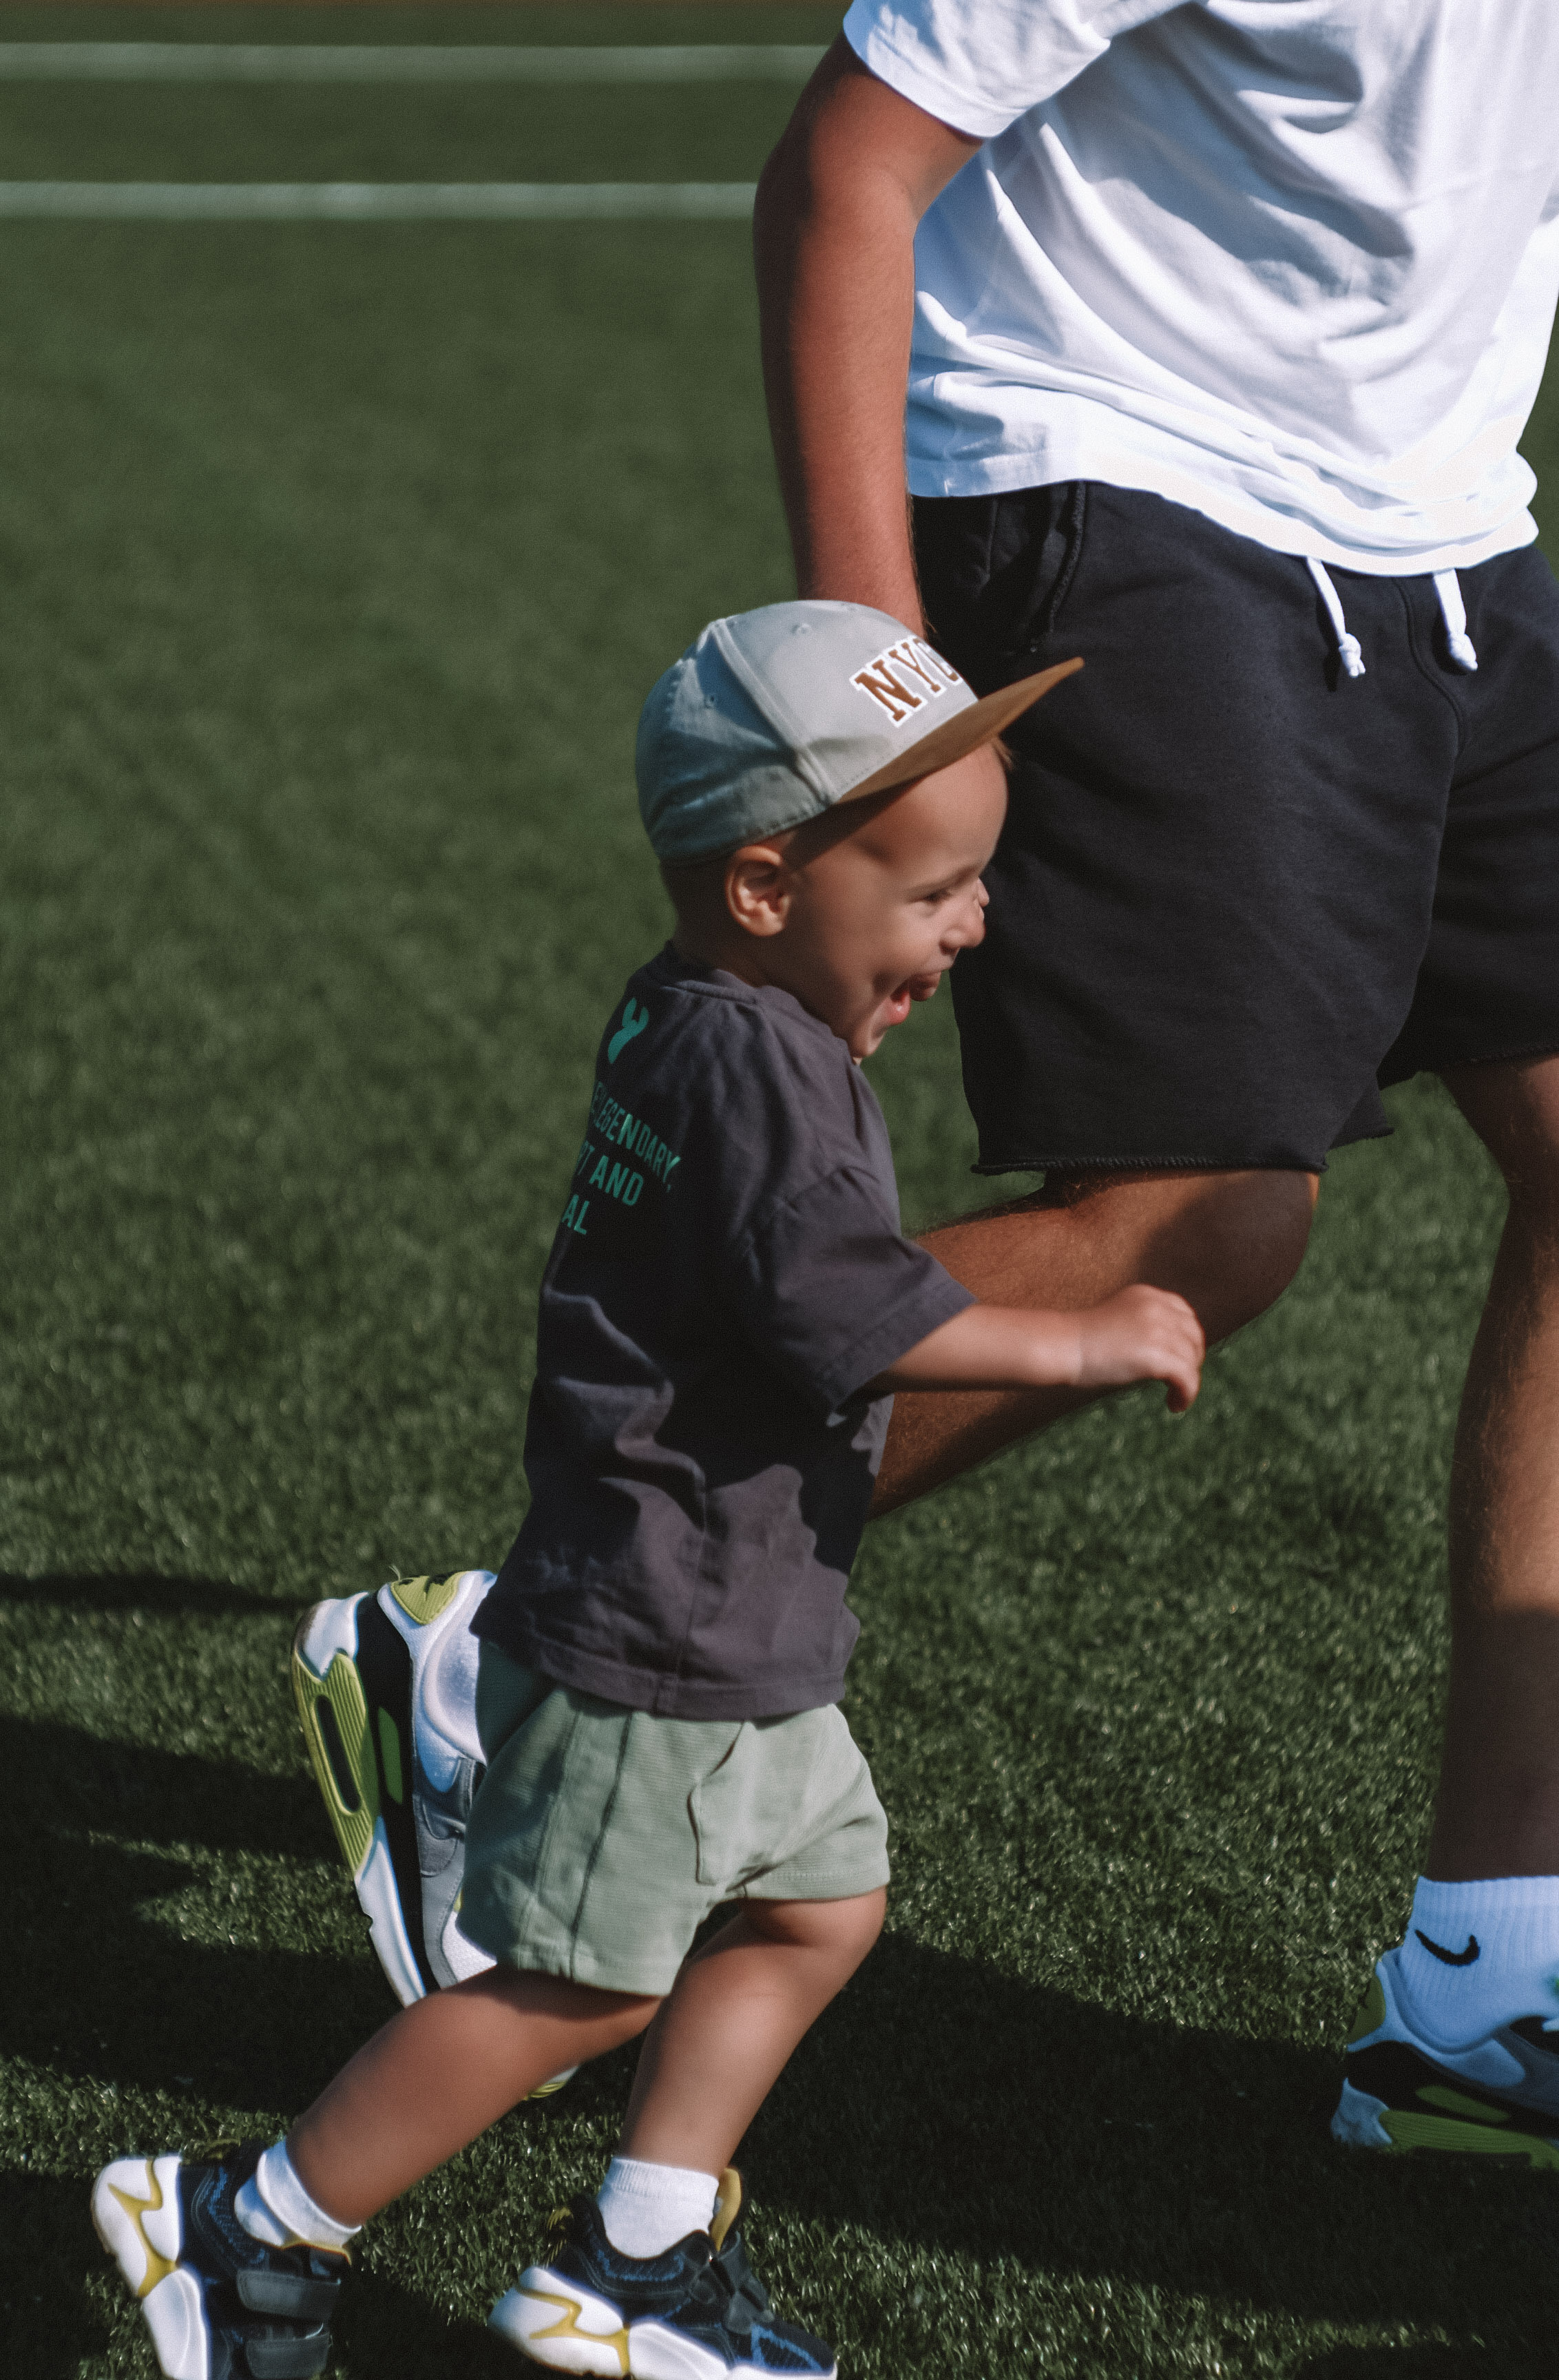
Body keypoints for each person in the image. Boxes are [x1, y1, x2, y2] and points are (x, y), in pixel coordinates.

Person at [94, 600, 1204, 2380]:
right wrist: (1077, 1342)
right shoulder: (755, 1064)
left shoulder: (724, 1018)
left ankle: (636, 2250)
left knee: (817, 1905)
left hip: (736, 1612)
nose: (974, 926)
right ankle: (246, 2228)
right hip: (664, 1626)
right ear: (766, 888)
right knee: (579, 1986)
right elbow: (842, 1310)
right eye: (932, 896)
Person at [749, 1, 1559, 2163]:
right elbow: (849, 168)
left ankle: (1490, 1978)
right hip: (1126, 474)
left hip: (1448, 535)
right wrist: (892, 704)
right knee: (1203, 1218)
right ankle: (519, 1648)